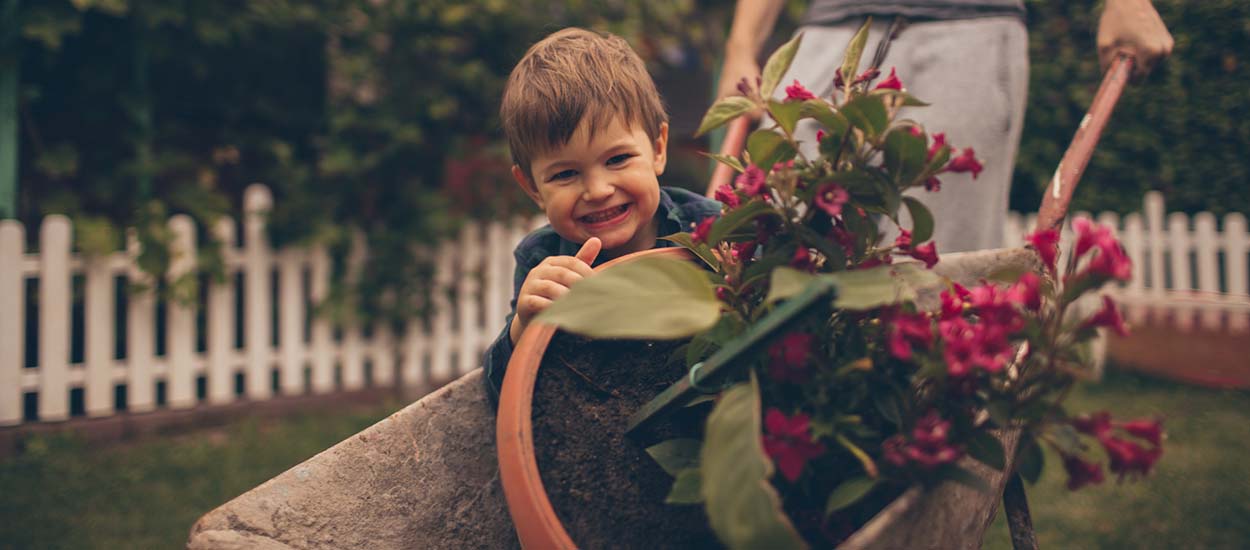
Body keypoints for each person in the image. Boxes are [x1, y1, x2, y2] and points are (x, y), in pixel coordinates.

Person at [717, 0, 1173, 253]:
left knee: (943, 267)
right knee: (779, 241)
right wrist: (741, 44)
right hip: (828, 33)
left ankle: (934, 419)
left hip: (969, 28)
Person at [482, 28, 724, 400]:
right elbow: (501, 395)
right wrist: (524, 328)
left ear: (658, 148)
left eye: (618, 159)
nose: (597, 190)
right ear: (532, 188)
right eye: (565, 174)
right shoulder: (544, 259)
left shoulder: (708, 228)